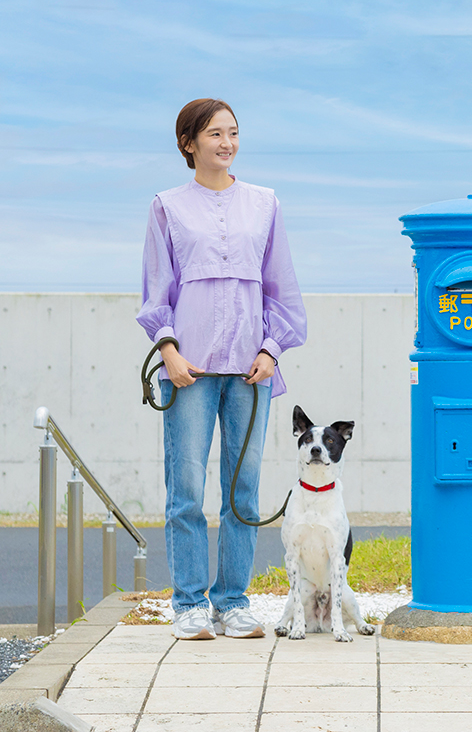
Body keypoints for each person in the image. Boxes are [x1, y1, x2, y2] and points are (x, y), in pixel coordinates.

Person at [137, 98, 307, 640]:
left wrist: (271, 349)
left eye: (233, 132)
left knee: (243, 490)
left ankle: (232, 602)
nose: (226, 142)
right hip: (187, 369)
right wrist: (167, 350)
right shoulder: (167, 206)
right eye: (214, 133)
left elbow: (281, 287)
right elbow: (157, 289)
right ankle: (188, 604)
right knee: (186, 489)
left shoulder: (265, 203)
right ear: (188, 143)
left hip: (251, 370)